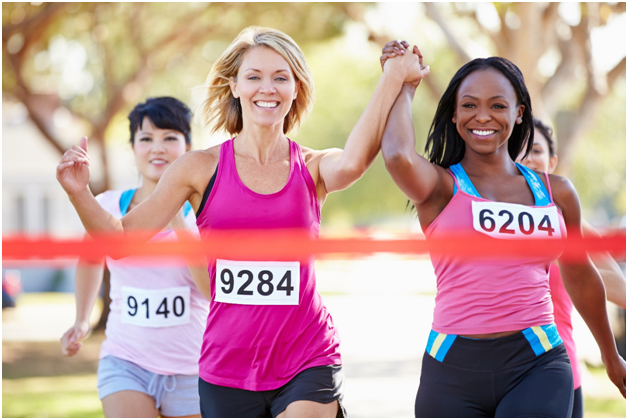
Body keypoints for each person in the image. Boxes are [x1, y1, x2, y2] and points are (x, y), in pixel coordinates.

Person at [56, 27, 428, 418]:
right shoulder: (198, 168)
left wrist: (392, 77)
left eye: (281, 77)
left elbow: (354, 161)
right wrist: (78, 192)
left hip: (307, 355)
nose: (267, 88)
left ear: (296, 88)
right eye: (254, 77)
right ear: (234, 85)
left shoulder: (314, 166)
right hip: (226, 368)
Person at [379, 41, 626, 417]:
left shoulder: (555, 192)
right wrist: (404, 85)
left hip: (537, 360)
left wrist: (612, 359)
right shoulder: (440, 187)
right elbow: (397, 154)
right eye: (469, 105)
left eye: (497, 105)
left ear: (519, 113)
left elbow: (579, 274)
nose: (483, 116)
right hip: (451, 364)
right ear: (454, 116)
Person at [60, 97, 210, 418]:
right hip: (125, 362)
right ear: (132, 147)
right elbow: (90, 259)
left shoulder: (206, 214)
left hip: (193, 369)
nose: (158, 148)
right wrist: (81, 320)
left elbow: (211, 290)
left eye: (170, 137)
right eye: (146, 138)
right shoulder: (108, 206)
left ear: (189, 147)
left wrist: (176, 217)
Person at [517, 118, 627, 417]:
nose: (528, 158)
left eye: (536, 150)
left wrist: (564, 258)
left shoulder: (569, 220)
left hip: (560, 372)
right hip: (500, 372)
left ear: (552, 161)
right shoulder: (491, 217)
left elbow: (620, 291)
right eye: (519, 150)